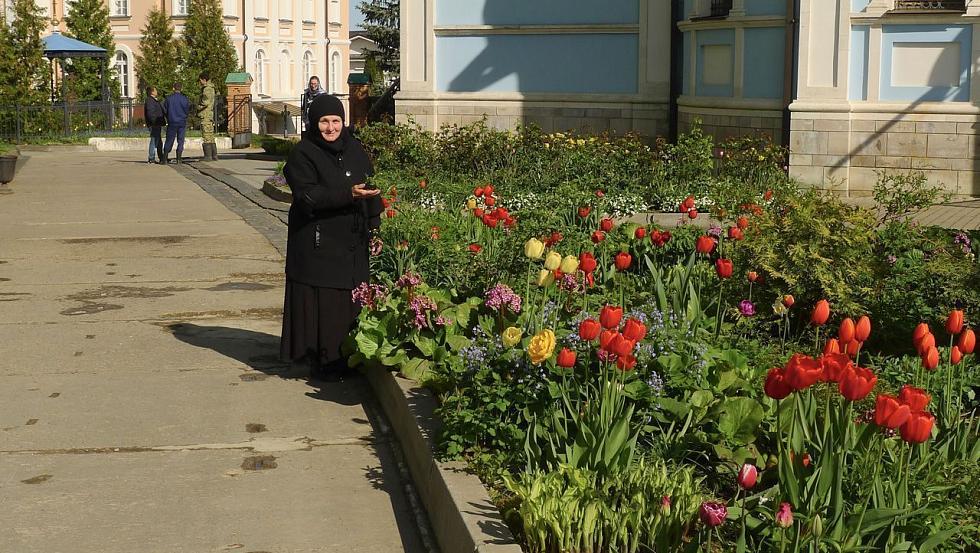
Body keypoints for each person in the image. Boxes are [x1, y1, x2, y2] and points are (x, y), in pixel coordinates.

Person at [280, 95, 382, 381]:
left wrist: (375, 227)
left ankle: (347, 357)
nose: (330, 127)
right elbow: (307, 196)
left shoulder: (354, 149)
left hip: (351, 240)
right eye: (324, 121)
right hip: (317, 242)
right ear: (314, 123)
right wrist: (347, 194)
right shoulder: (303, 154)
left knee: (348, 299)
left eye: (336, 121)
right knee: (323, 301)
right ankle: (320, 360)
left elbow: (372, 188)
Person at [162, 82, 190, 164]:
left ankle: (165, 158)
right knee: (180, 140)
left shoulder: (169, 98)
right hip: (182, 122)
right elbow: (187, 110)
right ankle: (179, 158)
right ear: (181, 88)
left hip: (172, 122)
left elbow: (165, 110)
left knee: (169, 140)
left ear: (173, 88)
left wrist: (168, 116)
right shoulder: (185, 99)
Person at [197, 72, 217, 161]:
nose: (200, 82)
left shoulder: (207, 89)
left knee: (207, 135)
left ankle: (208, 156)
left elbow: (205, 102)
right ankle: (214, 155)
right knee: (210, 135)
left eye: (200, 80)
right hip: (209, 114)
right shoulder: (211, 88)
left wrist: (197, 107)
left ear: (204, 80)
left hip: (206, 114)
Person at [144, 86, 166, 165]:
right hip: (154, 124)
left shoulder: (153, 100)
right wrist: (154, 121)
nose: (157, 91)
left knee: (158, 141)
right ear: (152, 92)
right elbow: (150, 113)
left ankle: (161, 157)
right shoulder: (150, 101)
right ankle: (151, 158)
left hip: (157, 123)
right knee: (154, 140)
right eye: (155, 90)